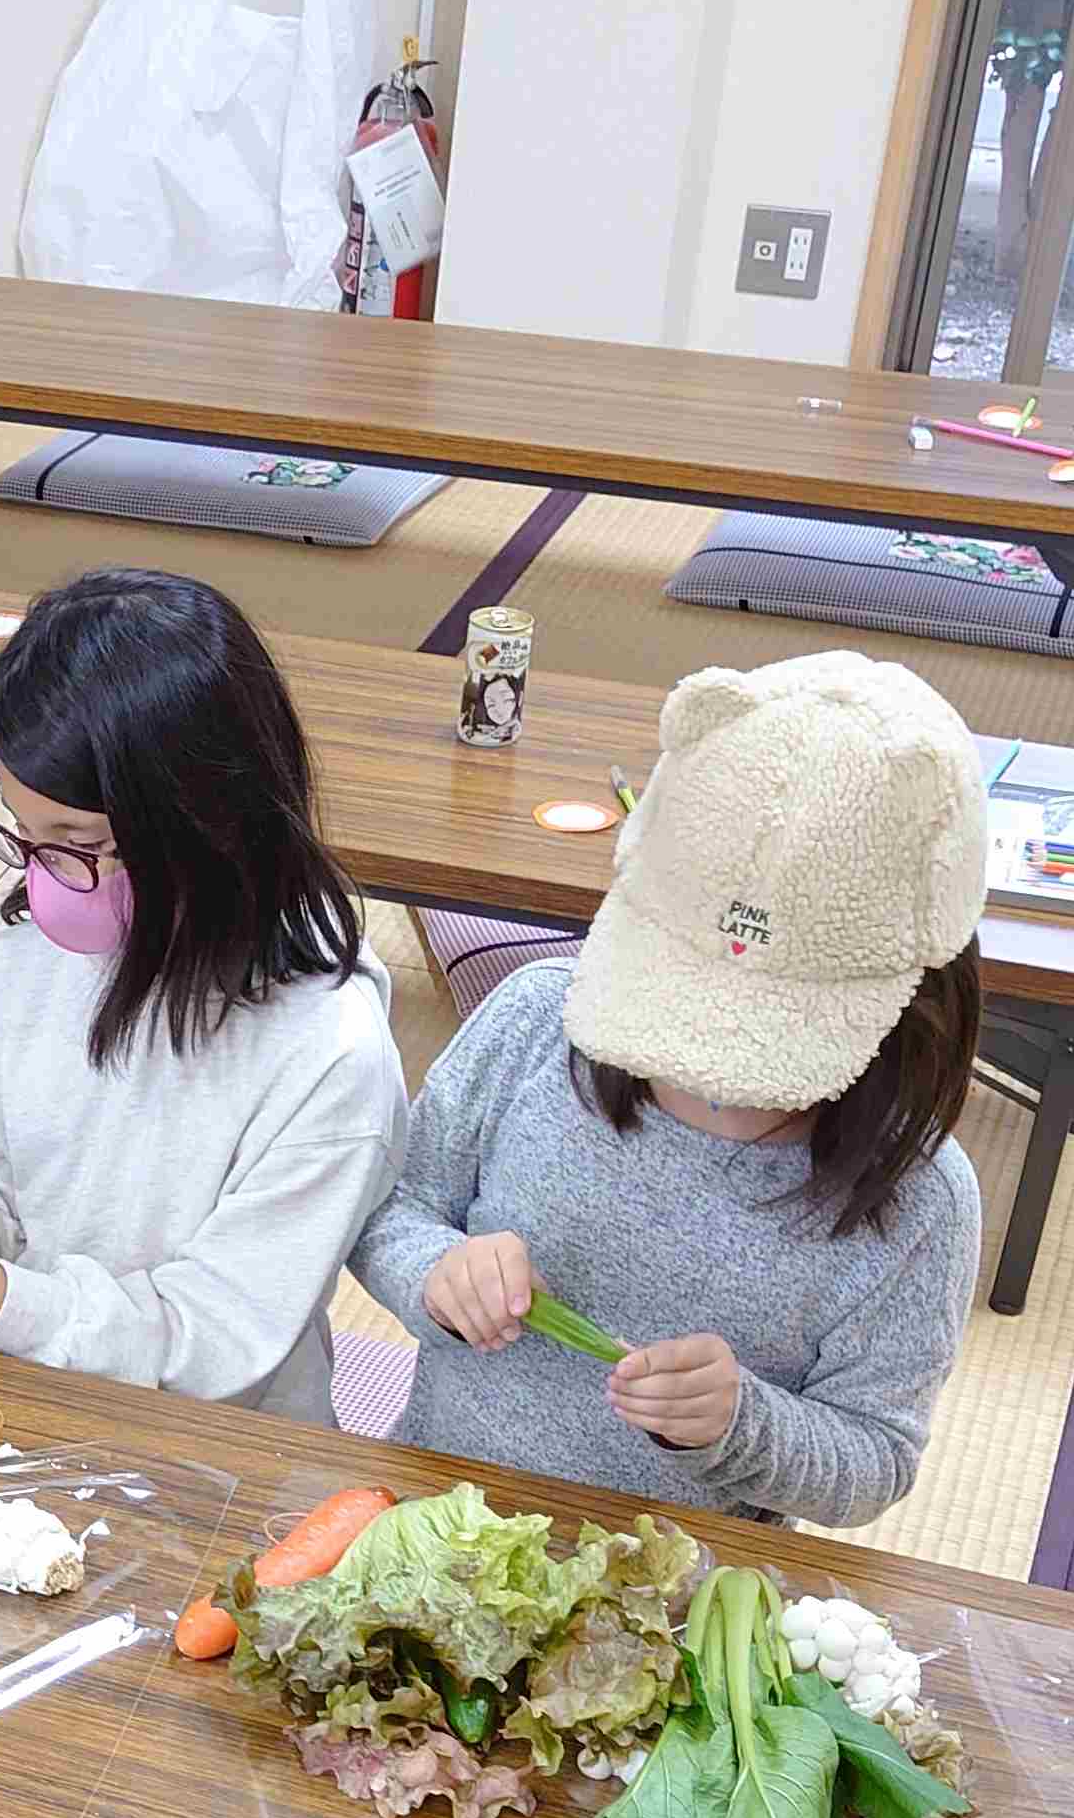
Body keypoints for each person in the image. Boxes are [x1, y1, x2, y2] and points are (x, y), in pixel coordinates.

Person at [351, 650, 988, 1525]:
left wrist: (740, 1425)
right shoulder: (537, 1021)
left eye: (772, 1036)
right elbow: (390, 1207)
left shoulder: (922, 1198)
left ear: (917, 1006)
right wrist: (434, 1273)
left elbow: (876, 1459)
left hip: (680, 1584)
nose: (709, 1067)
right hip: (437, 1517)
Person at [0, 570, 404, 1421]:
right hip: (16, 1411)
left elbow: (215, 1339)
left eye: (76, 843)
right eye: (25, 835)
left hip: (220, 1453)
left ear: (206, 822)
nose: (44, 881)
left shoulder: (329, 1054)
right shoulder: (19, 964)